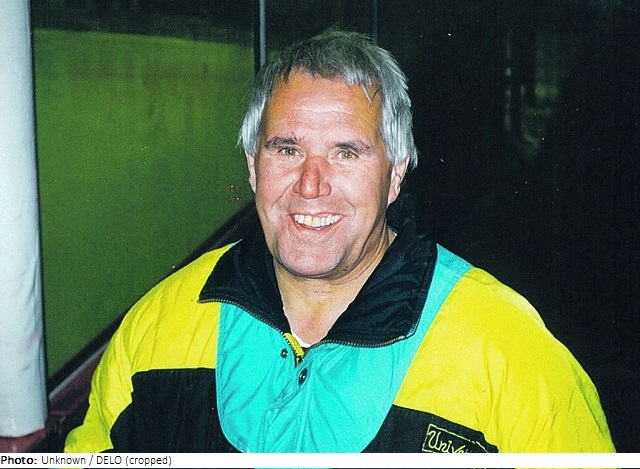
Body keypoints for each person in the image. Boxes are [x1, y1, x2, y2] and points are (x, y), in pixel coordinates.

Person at [65, 30, 615, 453]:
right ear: (253, 166)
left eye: (346, 153)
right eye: (287, 149)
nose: (310, 185)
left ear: (396, 174)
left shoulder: (507, 348)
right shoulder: (156, 327)